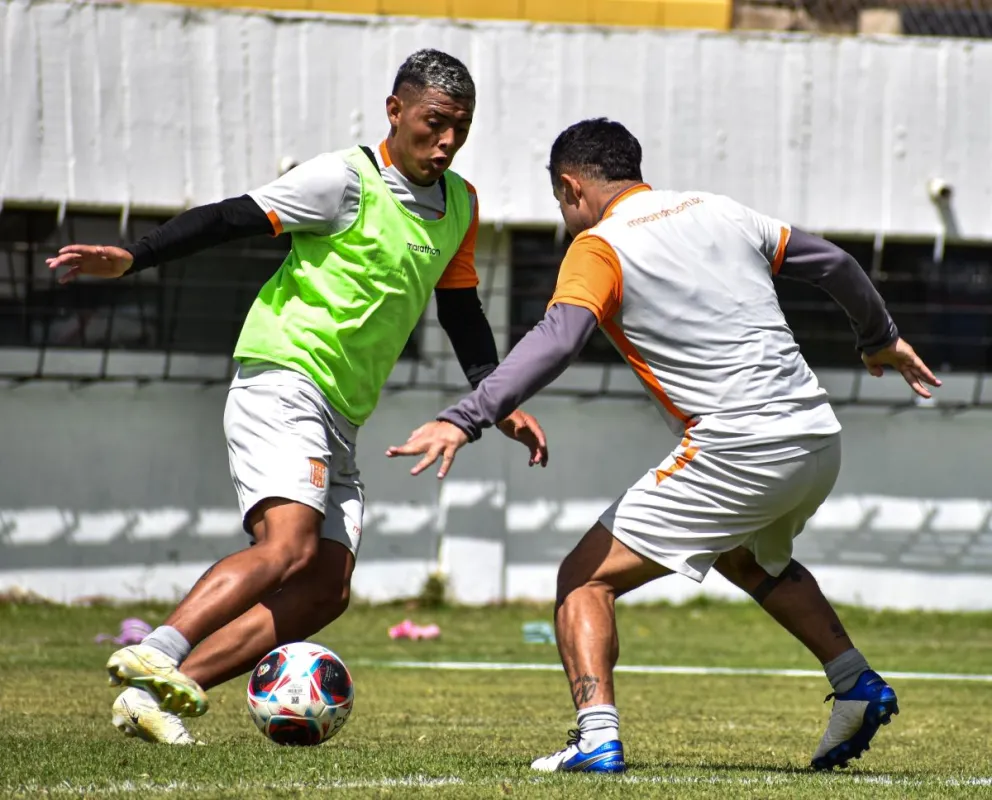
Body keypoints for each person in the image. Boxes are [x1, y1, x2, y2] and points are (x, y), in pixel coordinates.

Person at [387, 118, 940, 773]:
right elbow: (838, 266)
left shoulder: (599, 244)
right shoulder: (720, 209)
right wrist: (878, 336)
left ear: (571, 187)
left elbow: (559, 339)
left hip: (740, 445)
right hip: (816, 439)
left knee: (582, 580)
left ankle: (596, 738)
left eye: (560, 204)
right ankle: (854, 683)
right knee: (743, 557)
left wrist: (467, 416)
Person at [47, 49, 547, 745]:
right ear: (394, 111)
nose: (446, 142)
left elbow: (459, 308)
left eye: (460, 128)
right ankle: (160, 647)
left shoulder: (459, 205)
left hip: (341, 409)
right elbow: (231, 217)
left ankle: (161, 691)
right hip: (283, 377)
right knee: (286, 546)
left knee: (324, 587)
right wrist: (137, 257)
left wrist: (495, 396)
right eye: (433, 123)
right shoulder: (343, 179)